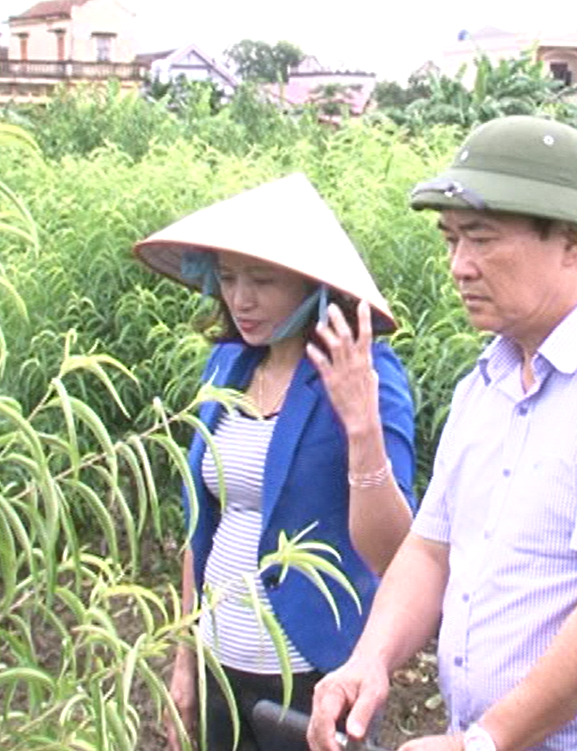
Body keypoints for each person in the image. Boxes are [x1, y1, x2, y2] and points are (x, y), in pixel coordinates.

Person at [307, 116, 577, 751]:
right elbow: (430, 552)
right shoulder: (485, 386)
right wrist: (369, 659)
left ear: (571, 239)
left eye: (480, 239)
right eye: (450, 240)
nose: (459, 266)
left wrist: (482, 742)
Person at [133, 174, 418, 751]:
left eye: (262, 281)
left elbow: (396, 552)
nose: (241, 300)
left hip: (312, 671)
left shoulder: (370, 375)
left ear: (313, 287)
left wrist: (362, 427)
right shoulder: (226, 367)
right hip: (219, 658)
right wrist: (185, 661)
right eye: (230, 278)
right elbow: (202, 527)